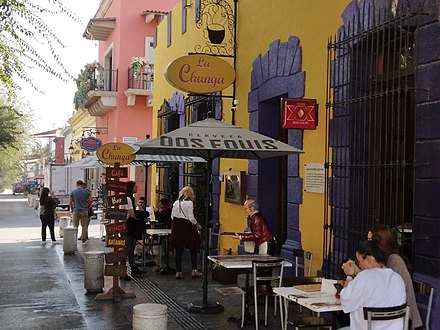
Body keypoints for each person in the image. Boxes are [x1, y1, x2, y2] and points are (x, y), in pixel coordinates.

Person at [340, 239, 406, 330]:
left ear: (368, 259)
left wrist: (349, 275)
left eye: (359, 261)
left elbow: (346, 301)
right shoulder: (397, 279)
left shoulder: (364, 277)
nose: (359, 265)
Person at [368, 224, 422, 329]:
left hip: (402, 317)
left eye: (371, 241)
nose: (367, 245)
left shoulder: (395, 261)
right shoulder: (379, 260)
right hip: (386, 314)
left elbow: (391, 291)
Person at [170, 186, 203, 279]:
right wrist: (197, 224)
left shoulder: (176, 203)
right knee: (194, 247)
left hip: (176, 228)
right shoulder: (189, 203)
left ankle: (178, 271)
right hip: (187, 228)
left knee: (178, 250)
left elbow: (172, 216)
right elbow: (191, 218)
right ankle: (194, 270)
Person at [120, 181, 148, 277]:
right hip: (125, 226)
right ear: (131, 187)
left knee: (130, 249)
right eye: (135, 186)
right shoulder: (127, 199)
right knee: (127, 249)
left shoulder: (130, 198)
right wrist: (141, 218)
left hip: (127, 226)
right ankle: (123, 271)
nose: (137, 188)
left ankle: (133, 268)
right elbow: (132, 214)